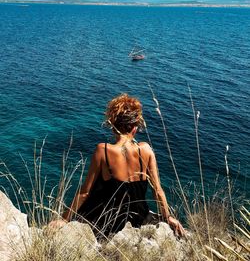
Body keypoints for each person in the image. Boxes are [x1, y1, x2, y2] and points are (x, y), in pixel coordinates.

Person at [49, 94, 184, 237]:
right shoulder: (146, 150)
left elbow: (85, 192)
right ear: (135, 127)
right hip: (137, 218)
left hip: (106, 220)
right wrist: (168, 217)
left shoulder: (103, 151)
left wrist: (64, 219)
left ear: (113, 125)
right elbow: (158, 190)